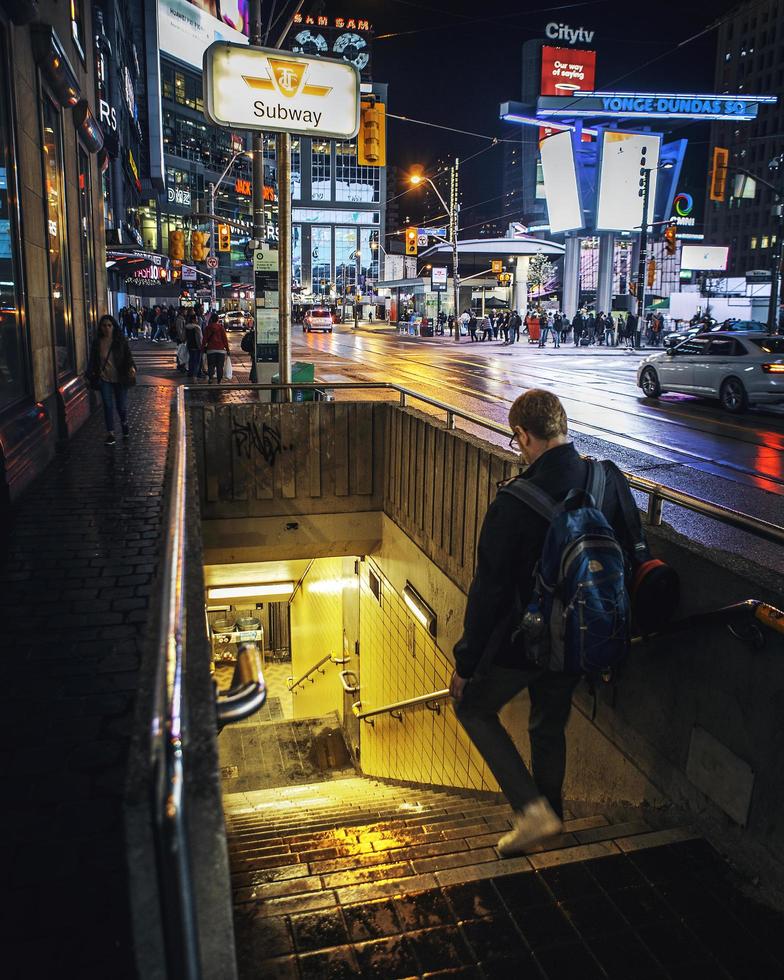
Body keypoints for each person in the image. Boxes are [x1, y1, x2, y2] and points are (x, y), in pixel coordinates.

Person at [450, 389, 646, 854]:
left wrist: (466, 662)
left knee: (472, 708)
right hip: (584, 639)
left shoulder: (513, 502)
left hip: (525, 642)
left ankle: (532, 812)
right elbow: (635, 551)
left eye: (517, 440)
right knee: (547, 725)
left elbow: (491, 591)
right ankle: (552, 817)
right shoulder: (608, 479)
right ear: (562, 426)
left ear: (522, 435)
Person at [87, 314, 137, 446]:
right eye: (104, 326)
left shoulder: (120, 341)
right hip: (105, 380)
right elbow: (92, 361)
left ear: (114, 327)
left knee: (121, 406)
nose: (107, 328)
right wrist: (89, 374)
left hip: (120, 378)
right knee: (108, 406)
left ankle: (124, 423)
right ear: (100, 328)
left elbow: (128, 357)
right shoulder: (97, 343)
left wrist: (132, 368)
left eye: (109, 325)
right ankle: (111, 433)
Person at [201, 312, 230, 382]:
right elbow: (224, 339)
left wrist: (202, 348)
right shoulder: (221, 328)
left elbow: (204, 339)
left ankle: (210, 378)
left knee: (211, 365)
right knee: (220, 366)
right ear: (217, 319)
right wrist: (227, 349)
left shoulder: (208, 328)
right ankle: (219, 380)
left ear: (211, 319)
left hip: (210, 350)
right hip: (220, 350)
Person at [184, 311, 204, 379]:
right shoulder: (197, 327)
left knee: (191, 360)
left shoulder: (186, 327)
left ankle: (190, 373)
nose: (197, 320)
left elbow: (184, 336)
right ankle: (195, 374)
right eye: (196, 319)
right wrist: (201, 346)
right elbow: (199, 338)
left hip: (189, 345)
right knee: (197, 361)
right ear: (193, 320)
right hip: (196, 346)